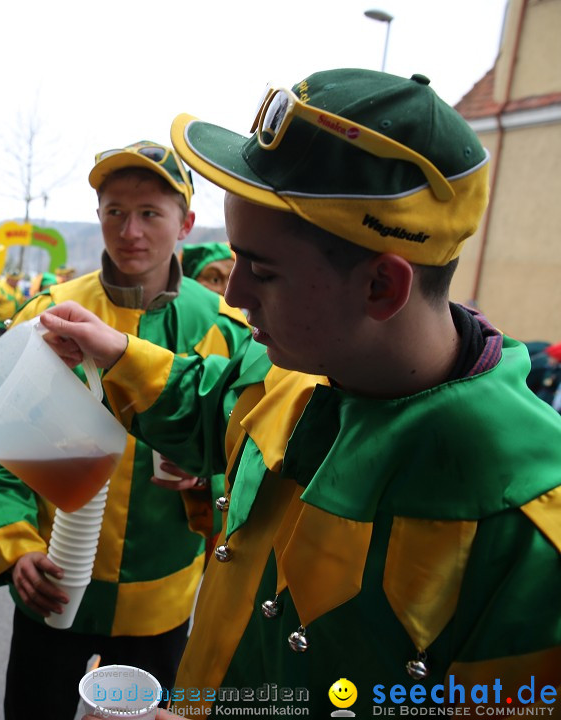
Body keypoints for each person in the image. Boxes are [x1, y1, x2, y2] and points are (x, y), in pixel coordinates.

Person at [39, 70, 561, 718]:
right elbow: (213, 404)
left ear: (380, 287)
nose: (233, 294)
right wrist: (114, 351)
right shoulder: (289, 367)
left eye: (264, 270)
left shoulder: (527, 532)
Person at [0, 140, 252, 720]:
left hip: (161, 602)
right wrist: (15, 546)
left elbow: (252, 466)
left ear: (187, 224)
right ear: (97, 216)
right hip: (52, 582)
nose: (130, 230)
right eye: (114, 211)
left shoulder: (225, 329)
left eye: (150, 213)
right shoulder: (49, 313)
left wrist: (203, 482)